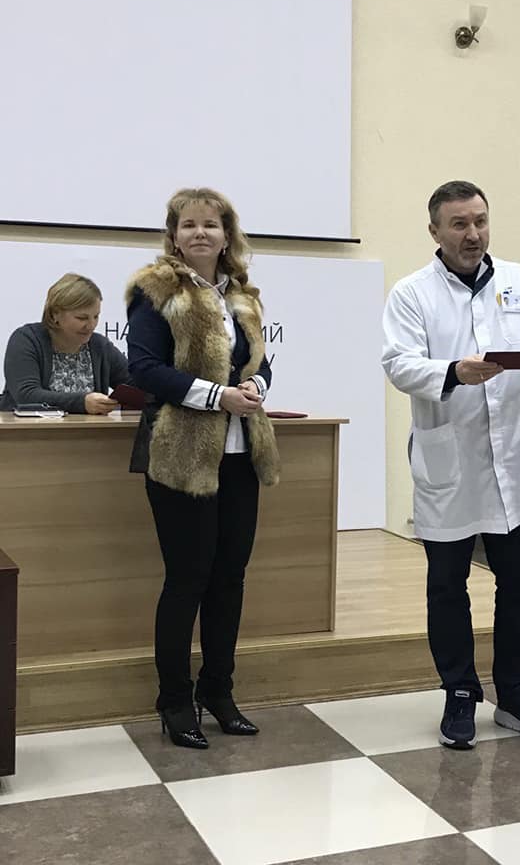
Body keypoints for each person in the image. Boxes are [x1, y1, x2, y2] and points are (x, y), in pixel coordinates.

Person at [382, 180, 520, 750]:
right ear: (434, 231)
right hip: (450, 461)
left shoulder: (518, 280)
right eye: (459, 224)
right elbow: (398, 363)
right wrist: (453, 372)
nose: (473, 233)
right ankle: (460, 692)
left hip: (511, 461)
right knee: (447, 588)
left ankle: (517, 693)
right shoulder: (412, 293)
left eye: (480, 221)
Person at [126, 186, 279, 750]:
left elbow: (261, 362)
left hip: (241, 455)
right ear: (174, 235)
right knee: (186, 579)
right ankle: (174, 700)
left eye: (210, 225)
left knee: (230, 578)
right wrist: (218, 396)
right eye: (188, 225)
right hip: (181, 456)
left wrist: (257, 385)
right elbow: (144, 368)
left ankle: (219, 690)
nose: (200, 233)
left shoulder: (241, 294)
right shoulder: (156, 290)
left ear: (226, 234)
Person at [0, 273, 129, 413]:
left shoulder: (100, 346)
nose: (91, 325)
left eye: (96, 316)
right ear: (55, 314)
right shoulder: (27, 340)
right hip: (26, 427)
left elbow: (135, 386)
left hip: (89, 428)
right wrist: (81, 403)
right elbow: (26, 396)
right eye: (82, 318)